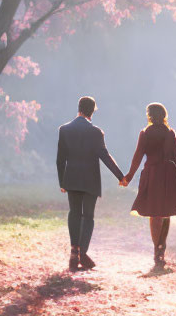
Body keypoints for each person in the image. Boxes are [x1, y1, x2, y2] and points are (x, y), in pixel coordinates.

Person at [120, 102, 176, 268]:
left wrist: (129, 176)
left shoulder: (145, 133)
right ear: (164, 115)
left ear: (149, 115)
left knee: (154, 214)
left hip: (152, 175)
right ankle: (161, 248)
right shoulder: (170, 133)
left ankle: (157, 250)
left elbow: (138, 157)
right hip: (169, 175)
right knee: (166, 212)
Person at [56, 95, 124, 271]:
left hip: (71, 177)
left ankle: (74, 251)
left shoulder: (64, 129)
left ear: (78, 108)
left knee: (74, 213)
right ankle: (82, 253)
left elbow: (60, 159)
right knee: (88, 216)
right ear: (92, 111)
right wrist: (121, 177)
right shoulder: (96, 132)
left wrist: (62, 181)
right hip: (90, 180)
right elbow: (105, 156)